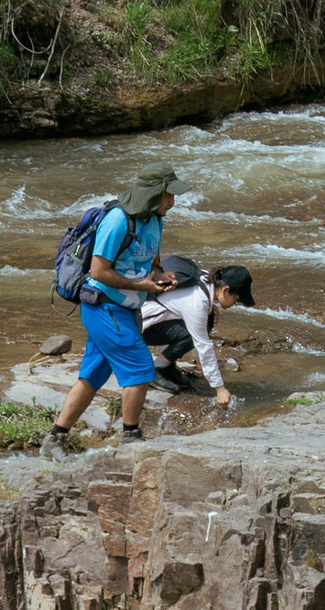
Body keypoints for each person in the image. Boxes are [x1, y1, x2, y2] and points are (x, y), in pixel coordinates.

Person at [49, 165, 176, 453]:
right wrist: (140, 286)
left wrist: (160, 276)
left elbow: (150, 263)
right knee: (141, 368)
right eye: (168, 196)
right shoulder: (117, 221)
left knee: (92, 376)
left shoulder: (156, 220)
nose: (172, 202)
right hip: (103, 306)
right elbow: (98, 271)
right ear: (152, 194)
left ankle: (55, 438)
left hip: (126, 309)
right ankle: (130, 438)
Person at [139, 255, 252, 414]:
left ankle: (166, 366)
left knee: (205, 321)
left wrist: (211, 309)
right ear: (225, 290)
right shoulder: (197, 303)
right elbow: (203, 347)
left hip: (149, 319)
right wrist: (219, 388)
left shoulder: (206, 278)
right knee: (198, 331)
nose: (235, 304)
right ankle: (156, 369)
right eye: (237, 299)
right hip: (139, 328)